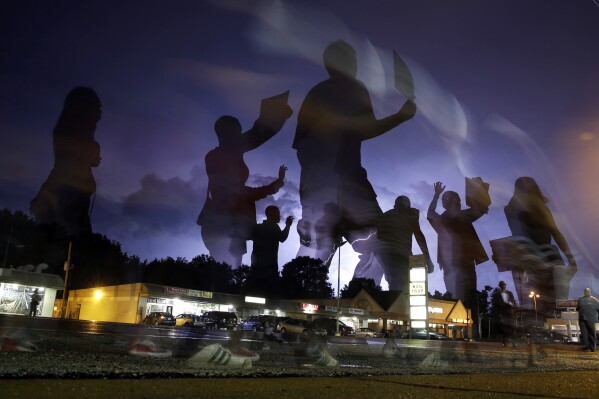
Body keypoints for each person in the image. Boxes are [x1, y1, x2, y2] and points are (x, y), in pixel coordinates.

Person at [292, 39, 416, 282]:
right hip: (347, 184)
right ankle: (360, 295)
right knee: (376, 244)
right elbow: (366, 129)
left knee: (318, 249)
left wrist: (313, 183)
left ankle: (311, 295)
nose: (356, 64)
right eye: (351, 59)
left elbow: (301, 148)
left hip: (323, 185)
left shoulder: (316, 93)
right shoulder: (354, 89)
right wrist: (400, 117)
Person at [198, 102, 293, 268]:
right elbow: (255, 137)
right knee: (227, 274)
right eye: (238, 131)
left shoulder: (225, 154)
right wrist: (274, 185)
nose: (241, 134)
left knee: (230, 274)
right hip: (224, 228)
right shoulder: (219, 156)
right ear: (229, 134)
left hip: (229, 228)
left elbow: (255, 135)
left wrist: (275, 118)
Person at [30, 87, 102, 236]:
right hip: (68, 205)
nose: (100, 113)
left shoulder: (78, 139)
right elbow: (63, 170)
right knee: (70, 246)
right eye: (97, 108)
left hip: (72, 205)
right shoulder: (76, 141)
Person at [504, 177, 577, 319]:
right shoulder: (536, 205)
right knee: (556, 296)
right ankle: (544, 312)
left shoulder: (512, 208)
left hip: (530, 254)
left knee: (547, 295)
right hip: (541, 254)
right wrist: (571, 259)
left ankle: (528, 308)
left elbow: (554, 232)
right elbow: (556, 232)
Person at [427, 181, 488, 339]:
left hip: (466, 263)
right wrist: (436, 195)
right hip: (454, 264)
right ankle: (460, 334)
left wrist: (478, 191)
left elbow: (480, 209)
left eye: (460, 200)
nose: (460, 203)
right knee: (460, 299)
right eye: (457, 200)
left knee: (468, 297)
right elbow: (430, 214)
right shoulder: (448, 219)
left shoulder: (461, 217)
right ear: (448, 203)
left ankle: (468, 334)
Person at [376, 196, 434, 292]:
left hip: (389, 256)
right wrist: (428, 260)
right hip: (399, 256)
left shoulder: (386, 216)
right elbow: (419, 236)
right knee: (403, 287)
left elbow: (378, 240)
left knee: (397, 286)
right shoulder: (410, 215)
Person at [248, 205, 294, 296]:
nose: (279, 216)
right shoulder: (273, 227)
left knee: (256, 291)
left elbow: (250, 236)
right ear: (272, 214)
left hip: (256, 266)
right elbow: (282, 238)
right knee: (270, 293)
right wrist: (288, 225)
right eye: (278, 213)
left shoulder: (258, 228)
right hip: (270, 267)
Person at [492, 281, 517, 346]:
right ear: (500, 286)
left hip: (510, 312)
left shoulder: (510, 293)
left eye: (504, 285)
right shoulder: (497, 294)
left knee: (512, 327)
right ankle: (505, 341)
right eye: (502, 285)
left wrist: (512, 304)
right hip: (502, 313)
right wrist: (498, 314)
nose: (503, 286)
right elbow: (495, 305)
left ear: (505, 285)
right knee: (504, 328)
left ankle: (513, 342)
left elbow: (513, 301)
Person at [576, 288, 599, 352]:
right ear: (584, 292)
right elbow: (577, 308)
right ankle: (586, 346)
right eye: (585, 291)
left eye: (588, 291)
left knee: (592, 333)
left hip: (591, 318)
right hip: (582, 319)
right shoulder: (580, 299)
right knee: (584, 333)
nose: (586, 292)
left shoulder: (595, 300)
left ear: (590, 292)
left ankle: (593, 347)